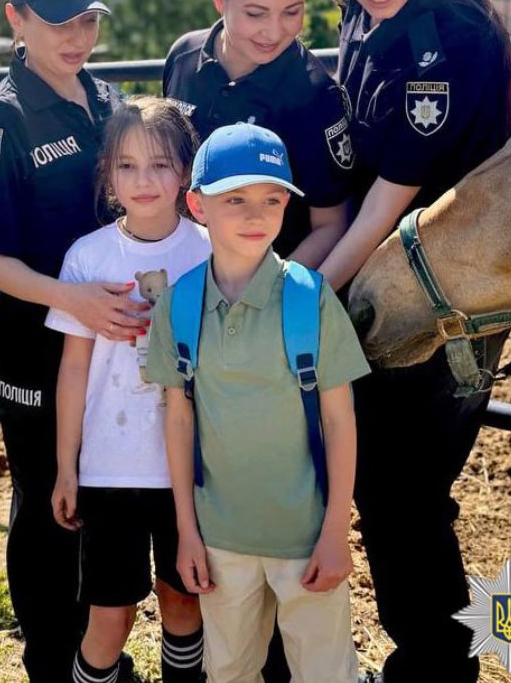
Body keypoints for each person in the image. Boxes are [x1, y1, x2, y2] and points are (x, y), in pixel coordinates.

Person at [314, 0, 511, 682]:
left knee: (405, 493)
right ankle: (429, 658)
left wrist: (305, 293)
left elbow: (385, 204)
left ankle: (437, 663)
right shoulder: (363, 12)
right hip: (390, 281)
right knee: (391, 490)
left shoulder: (455, 40)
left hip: (444, 296)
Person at [0, 0, 142, 682]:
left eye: (89, 19)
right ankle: (50, 662)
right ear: (17, 19)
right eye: (59, 20)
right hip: (38, 345)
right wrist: (71, 299)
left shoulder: (107, 102)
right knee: (46, 508)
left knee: (101, 502)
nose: (77, 36)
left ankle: (97, 662)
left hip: (109, 349)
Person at [148, 123, 371, 682]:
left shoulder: (311, 299)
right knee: (229, 671)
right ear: (197, 205)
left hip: (306, 537)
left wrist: (335, 533)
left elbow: (340, 420)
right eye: (236, 200)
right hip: (220, 541)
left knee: (325, 673)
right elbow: (178, 419)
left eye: (272, 199)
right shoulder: (177, 307)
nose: (256, 215)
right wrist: (187, 531)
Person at [46, 97, 211, 683]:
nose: (144, 180)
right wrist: (67, 467)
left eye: (161, 164)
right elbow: (72, 373)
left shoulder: (210, 250)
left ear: (187, 172)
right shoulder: (88, 257)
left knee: (184, 600)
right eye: (127, 165)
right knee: (110, 615)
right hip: (111, 471)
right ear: (108, 173)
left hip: (188, 470)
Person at [163, 0, 353, 267]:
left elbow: (331, 225)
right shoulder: (182, 58)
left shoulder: (315, 95)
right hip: (183, 278)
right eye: (255, 13)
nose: (274, 31)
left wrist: (268, 296)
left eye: (291, 12)